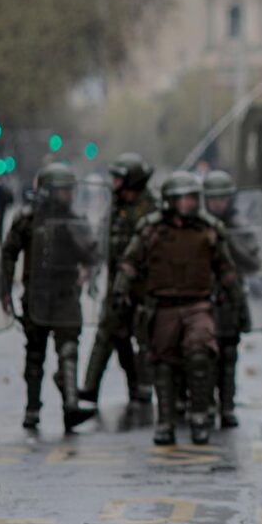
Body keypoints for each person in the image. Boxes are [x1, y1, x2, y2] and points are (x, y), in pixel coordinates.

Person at [112, 171, 247, 446]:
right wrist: (119, 291)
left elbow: (226, 269)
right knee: (163, 364)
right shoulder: (151, 229)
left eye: (193, 198)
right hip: (164, 307)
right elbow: (129, 262)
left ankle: (199, 416)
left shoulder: (208, 229)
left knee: (200, 355)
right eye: (183, 198)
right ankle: (165, 421)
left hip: (197, 305)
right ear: (170, 200)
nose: (190, 203)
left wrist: (239, 303)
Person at [1, 163, 100, 432]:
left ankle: (71, 406)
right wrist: (5, 290)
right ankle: (32, 409)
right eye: (63, 190)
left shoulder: (74, 220)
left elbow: (92, 254)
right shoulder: (27, 220)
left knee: (69, 350)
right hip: (37, 297)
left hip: (66, 295)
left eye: (70, 190)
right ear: (48, 191)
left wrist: (82, 242)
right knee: (35, 354)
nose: (69, 195)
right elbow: (9, 253)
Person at [80, 153, 158, 406]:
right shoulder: (115, 206)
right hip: (116, 284)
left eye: (118, 178)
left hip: (143, 286)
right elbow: (103, 238)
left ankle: (142, 386)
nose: (114, 183)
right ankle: (90, 388)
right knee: (109, 332)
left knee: (143, 338)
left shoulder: (150, 208)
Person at [203, 169, 261, 428]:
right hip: (202, 298)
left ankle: (227, 406)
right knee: (203, 357)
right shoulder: (198, 225)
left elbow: (253, 263)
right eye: (213, 198)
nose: (217, 204)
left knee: (228, 357)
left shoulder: (239, 227)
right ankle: (204, 405)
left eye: (222, 198)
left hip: (230, 299)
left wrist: (227, 241)